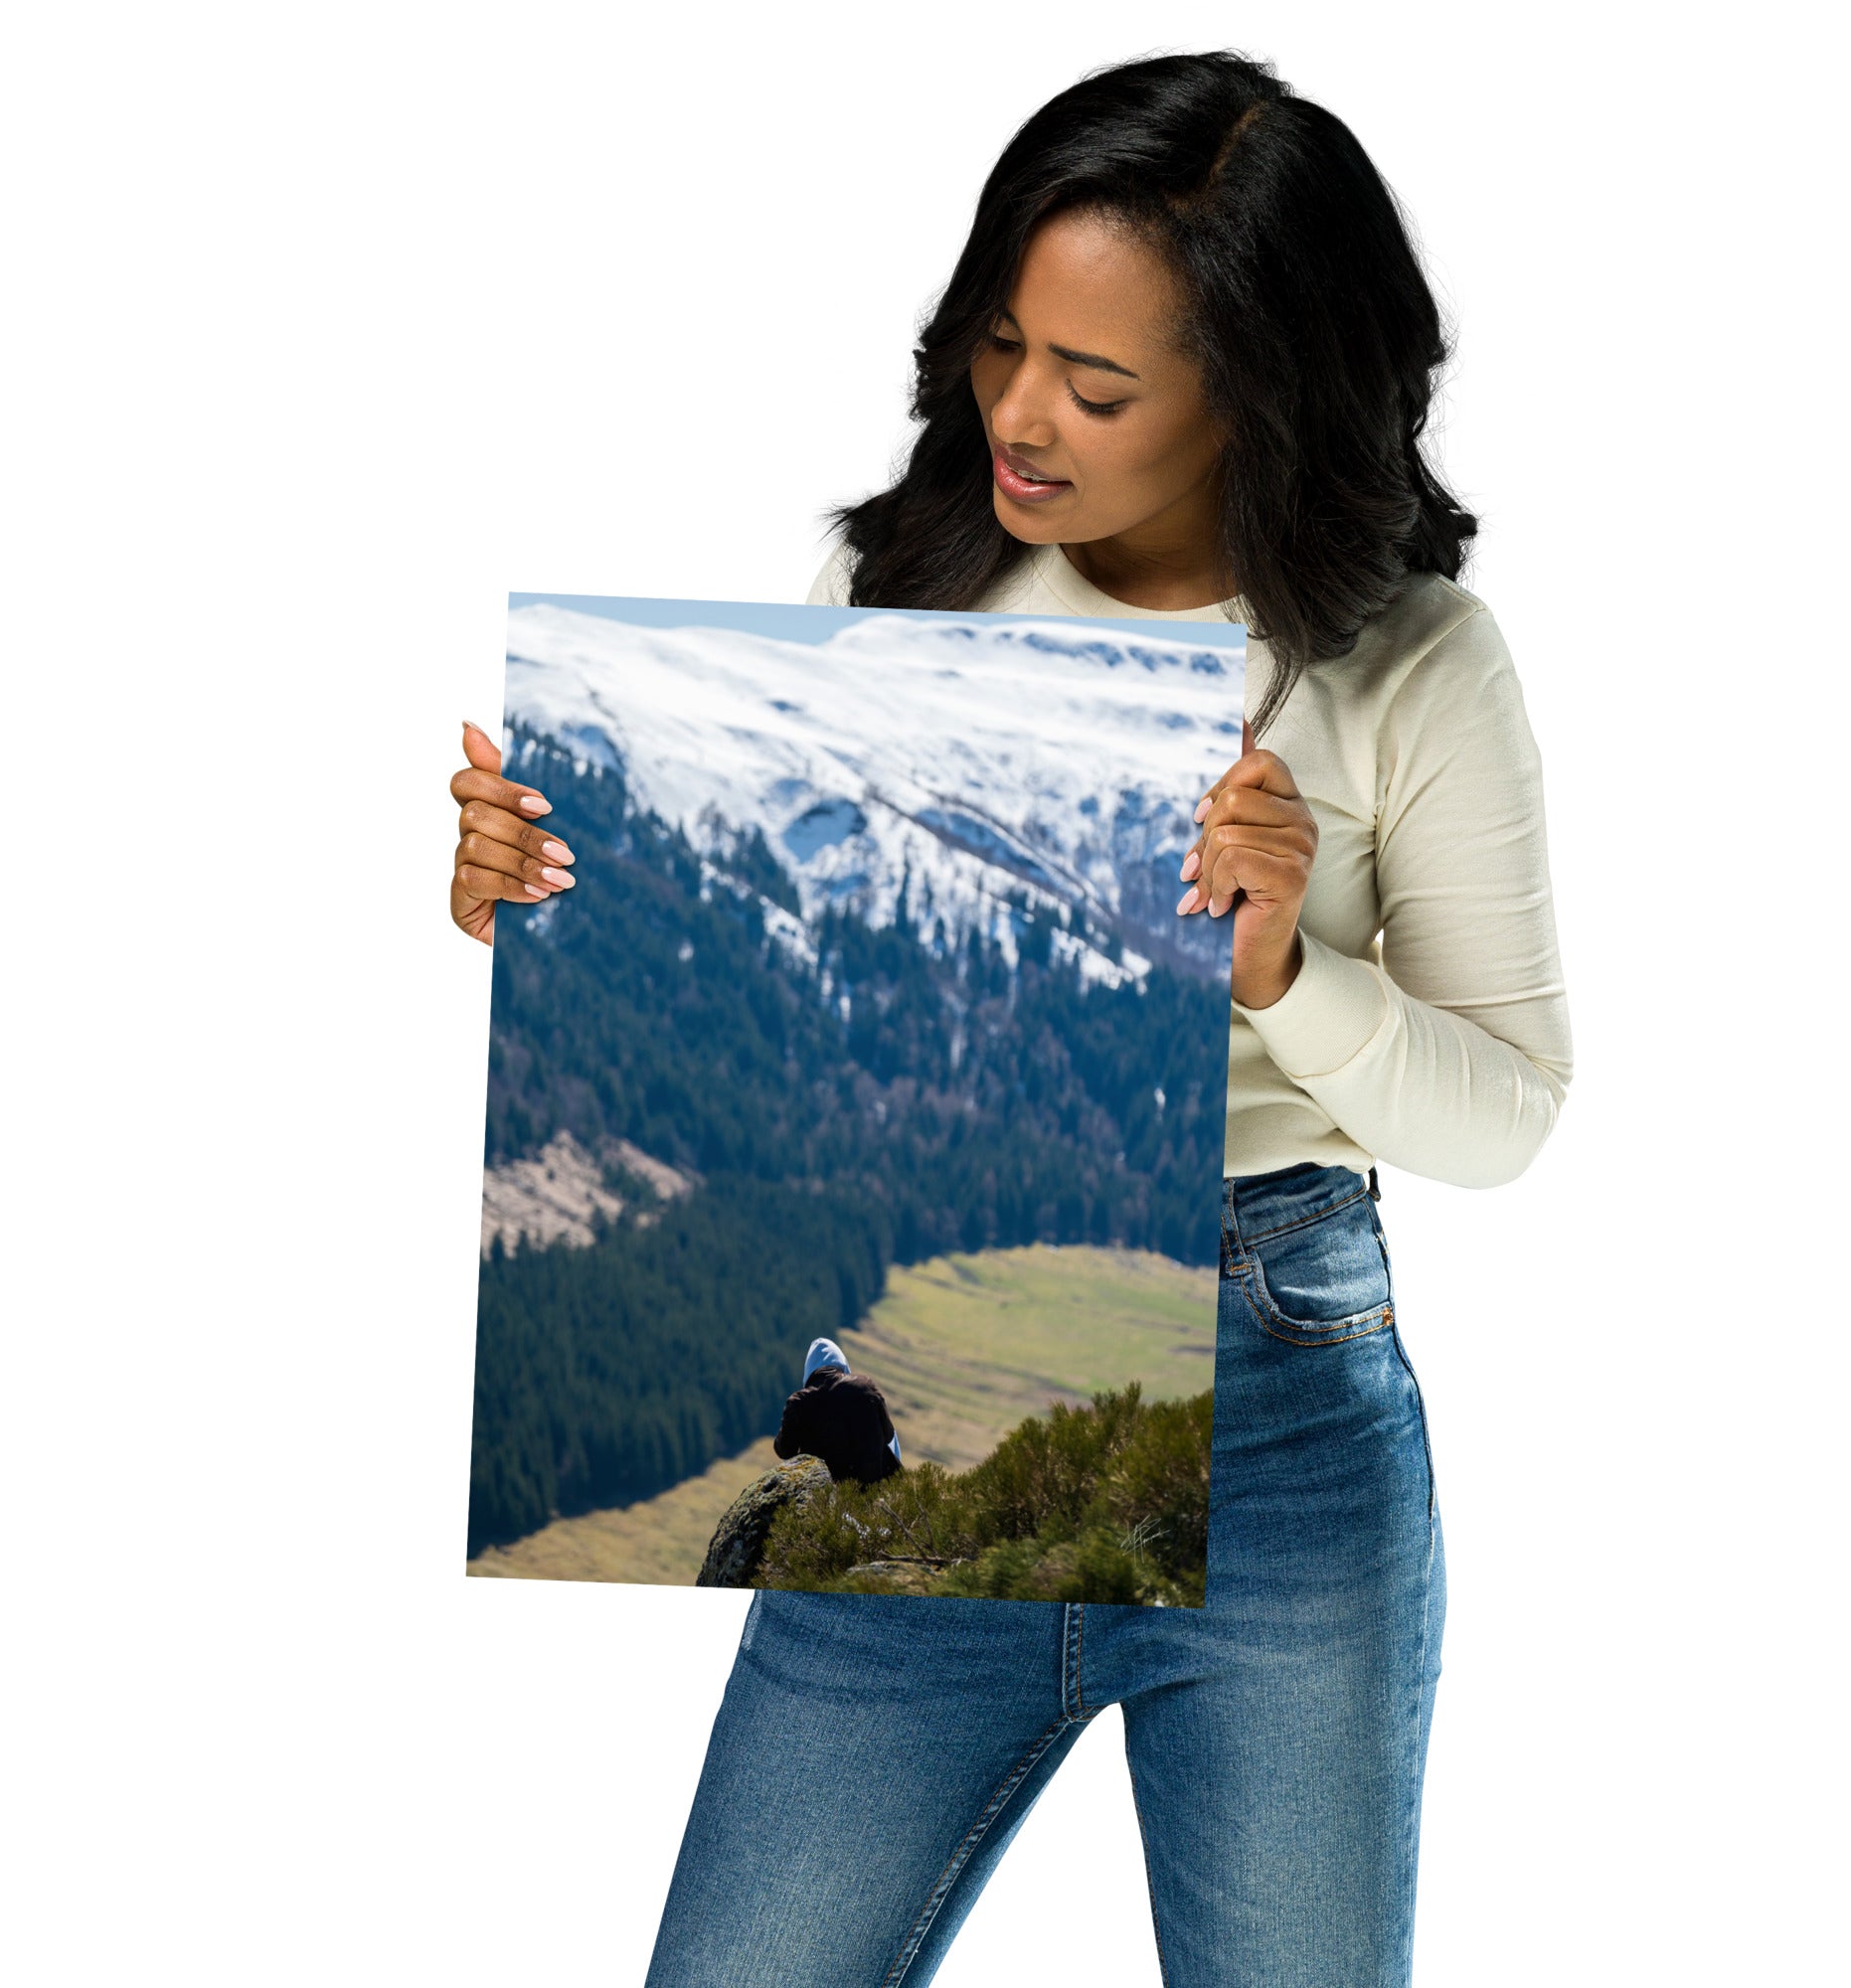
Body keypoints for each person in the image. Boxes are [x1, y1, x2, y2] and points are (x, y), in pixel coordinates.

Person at [449, 51, 1572, 1986]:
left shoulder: (1408, 663)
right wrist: (540, 904)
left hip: (1289, 1424)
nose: (1019, 415)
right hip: (905, 1431)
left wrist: (1286, 973)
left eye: (1098, 382)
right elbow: (774, 1032)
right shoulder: (896, 589)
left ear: (1258, 397)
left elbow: (1506, 1117)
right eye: (998, 345)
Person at [773, 1336, 905, 1484]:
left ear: (809, 1372)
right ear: (842, 1364)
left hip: (825, 1497)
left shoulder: (799, 1403)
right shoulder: (865, 1387)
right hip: (874, 1489)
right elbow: (888, 1435)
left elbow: (784, 1450)